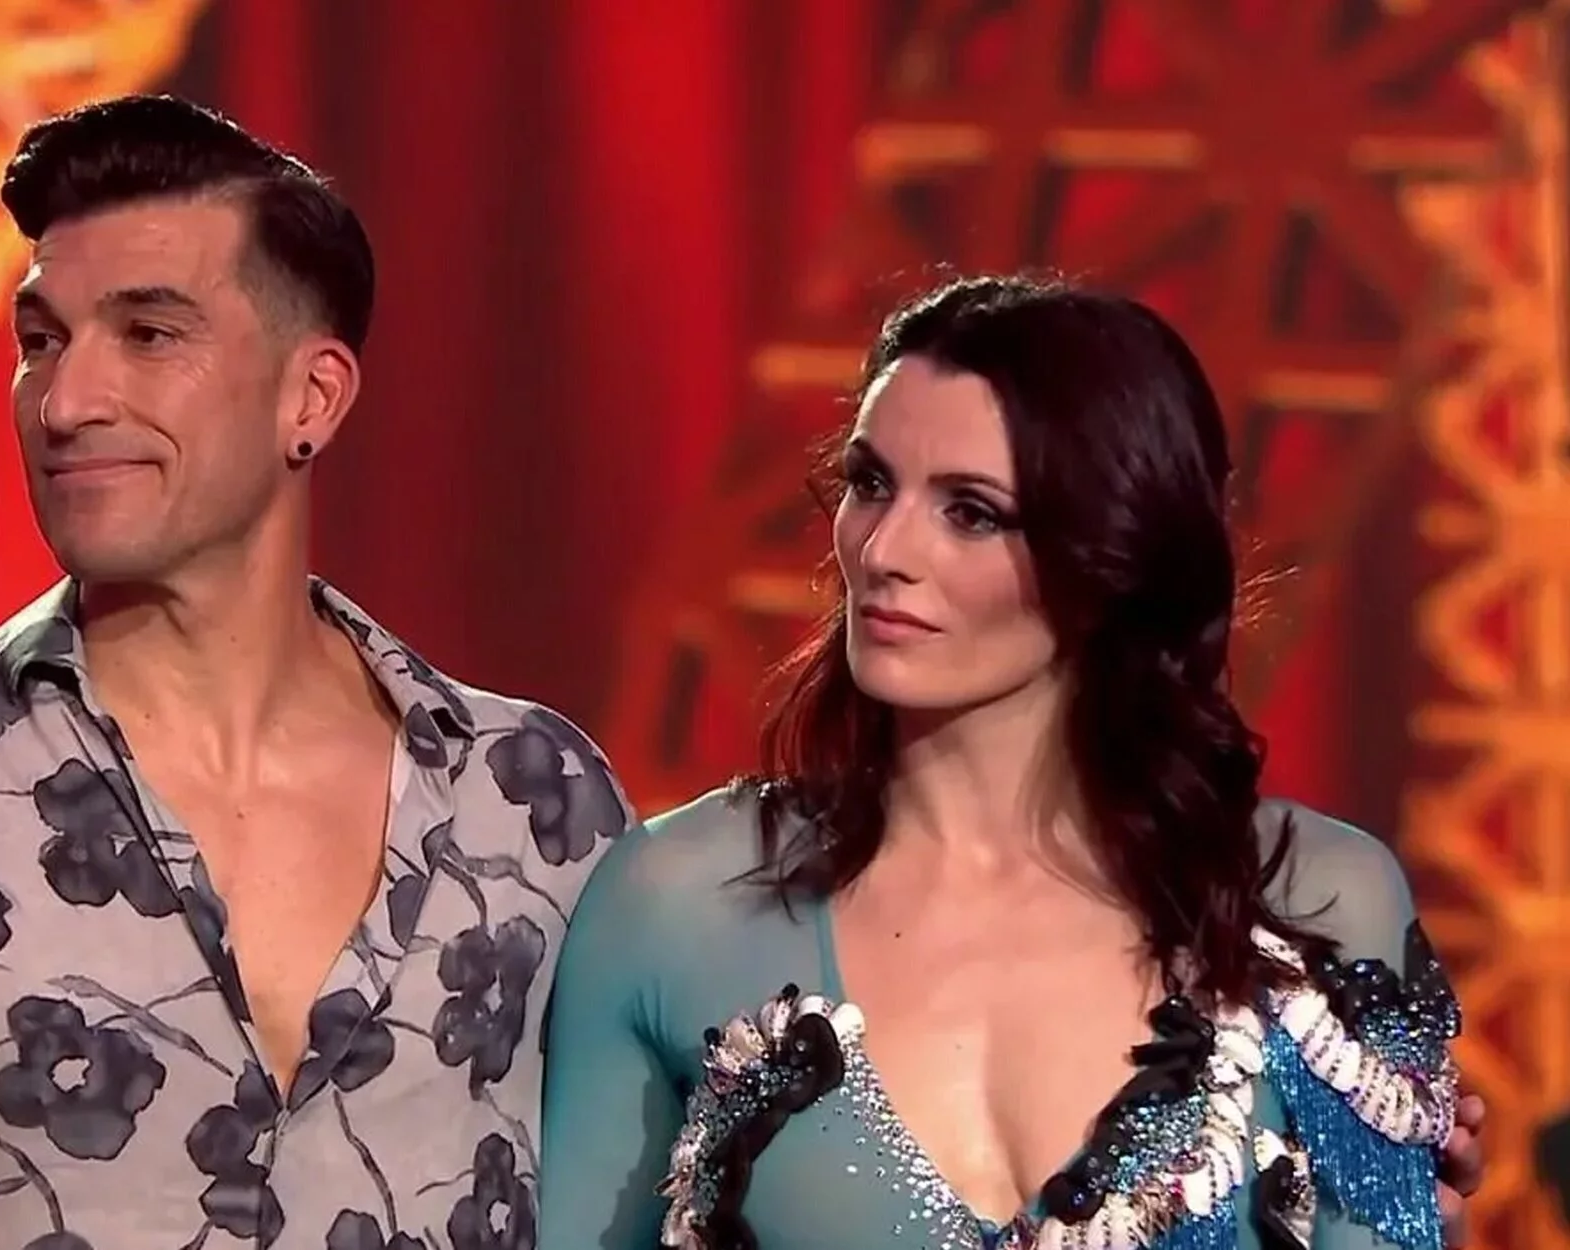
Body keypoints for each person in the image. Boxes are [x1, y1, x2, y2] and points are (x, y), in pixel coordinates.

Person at [0, 94, 633, 1250]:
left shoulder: (533, 799)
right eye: (41, 341)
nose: (66, 402)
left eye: (149, 334)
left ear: (311, 397)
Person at [537, 274, 1486, 1250]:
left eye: (971, 512)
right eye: (871, 483)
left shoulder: (1320, 906)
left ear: (1114, 550)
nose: (883, 549)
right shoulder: (673, 904)